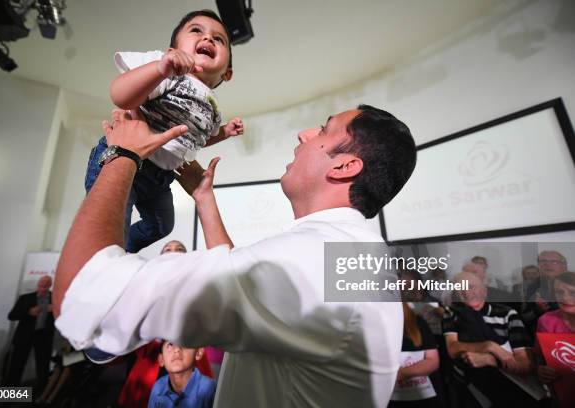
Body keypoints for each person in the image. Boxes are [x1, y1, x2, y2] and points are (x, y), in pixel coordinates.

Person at [54, 103, 418, 407]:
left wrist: (122, 155)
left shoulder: (313, 259)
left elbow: (82, 296)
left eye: (323, 131)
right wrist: (204, 200)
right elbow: (242, 286)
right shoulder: (350, 253)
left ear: (344, 166)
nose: (304, 134)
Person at [84, 10, 244, 253]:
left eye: (219, 39)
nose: (208, 39)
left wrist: (224, 132)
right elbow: (119, 95)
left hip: (161, 177)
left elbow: (198, 140)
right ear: (173, 51)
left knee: (161, 225)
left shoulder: (213, 108)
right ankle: (107, 252)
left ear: (227, 73)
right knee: (112, 225)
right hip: (125, 161)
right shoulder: (168, 71)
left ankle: (123, 250)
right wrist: (160, 69)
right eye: (196, 31)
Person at [117, 240, 214, 408]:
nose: (173, 252)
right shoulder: (146, 292)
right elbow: (139, 345)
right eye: (167, 249)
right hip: (152, 371)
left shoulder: (200, 290)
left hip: (190, 373)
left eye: (179, 249)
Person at [443, 272, 536, 407]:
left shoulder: (507, 314)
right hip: (469, 389)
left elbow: (526, 363)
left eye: (471, 287)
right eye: (459, 288)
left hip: (508, 388)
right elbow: (452, 348)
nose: (466, 292)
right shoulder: (452, 313)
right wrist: (490, 346)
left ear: (484, 291)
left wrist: (490, 359)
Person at [4, 275, 55, 392]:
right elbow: (11, 316)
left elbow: (64, 318)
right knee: (16, 365)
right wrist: (28, 312)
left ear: (50, 285)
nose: (43, 288)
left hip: (44, 337)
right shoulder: (25, 298)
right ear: (38, 284)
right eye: (41, 285)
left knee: (43, 367)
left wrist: (56, 310)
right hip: (24, 336)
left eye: (46, 286)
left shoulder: (56, 299)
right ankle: (9, 393)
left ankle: (41, 394)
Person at [388, 303, 440, 408]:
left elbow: (433, 361)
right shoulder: (369, 325)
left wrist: (401, 373)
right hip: (387, 398)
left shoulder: (417, 321)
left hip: (420, 397)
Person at [535, 271, 575, 387]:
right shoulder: (546, 321)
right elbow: (539, 357)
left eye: (573, 292)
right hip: (562, 388)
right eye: (559, 292)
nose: (565, 297)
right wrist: (540, 370)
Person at [148, 341, 216, 408]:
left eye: (184, 343)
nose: (176, 349)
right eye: (170, 344)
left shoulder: (209, 389)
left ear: (198, 352)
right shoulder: (158, 387)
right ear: (161, 359)